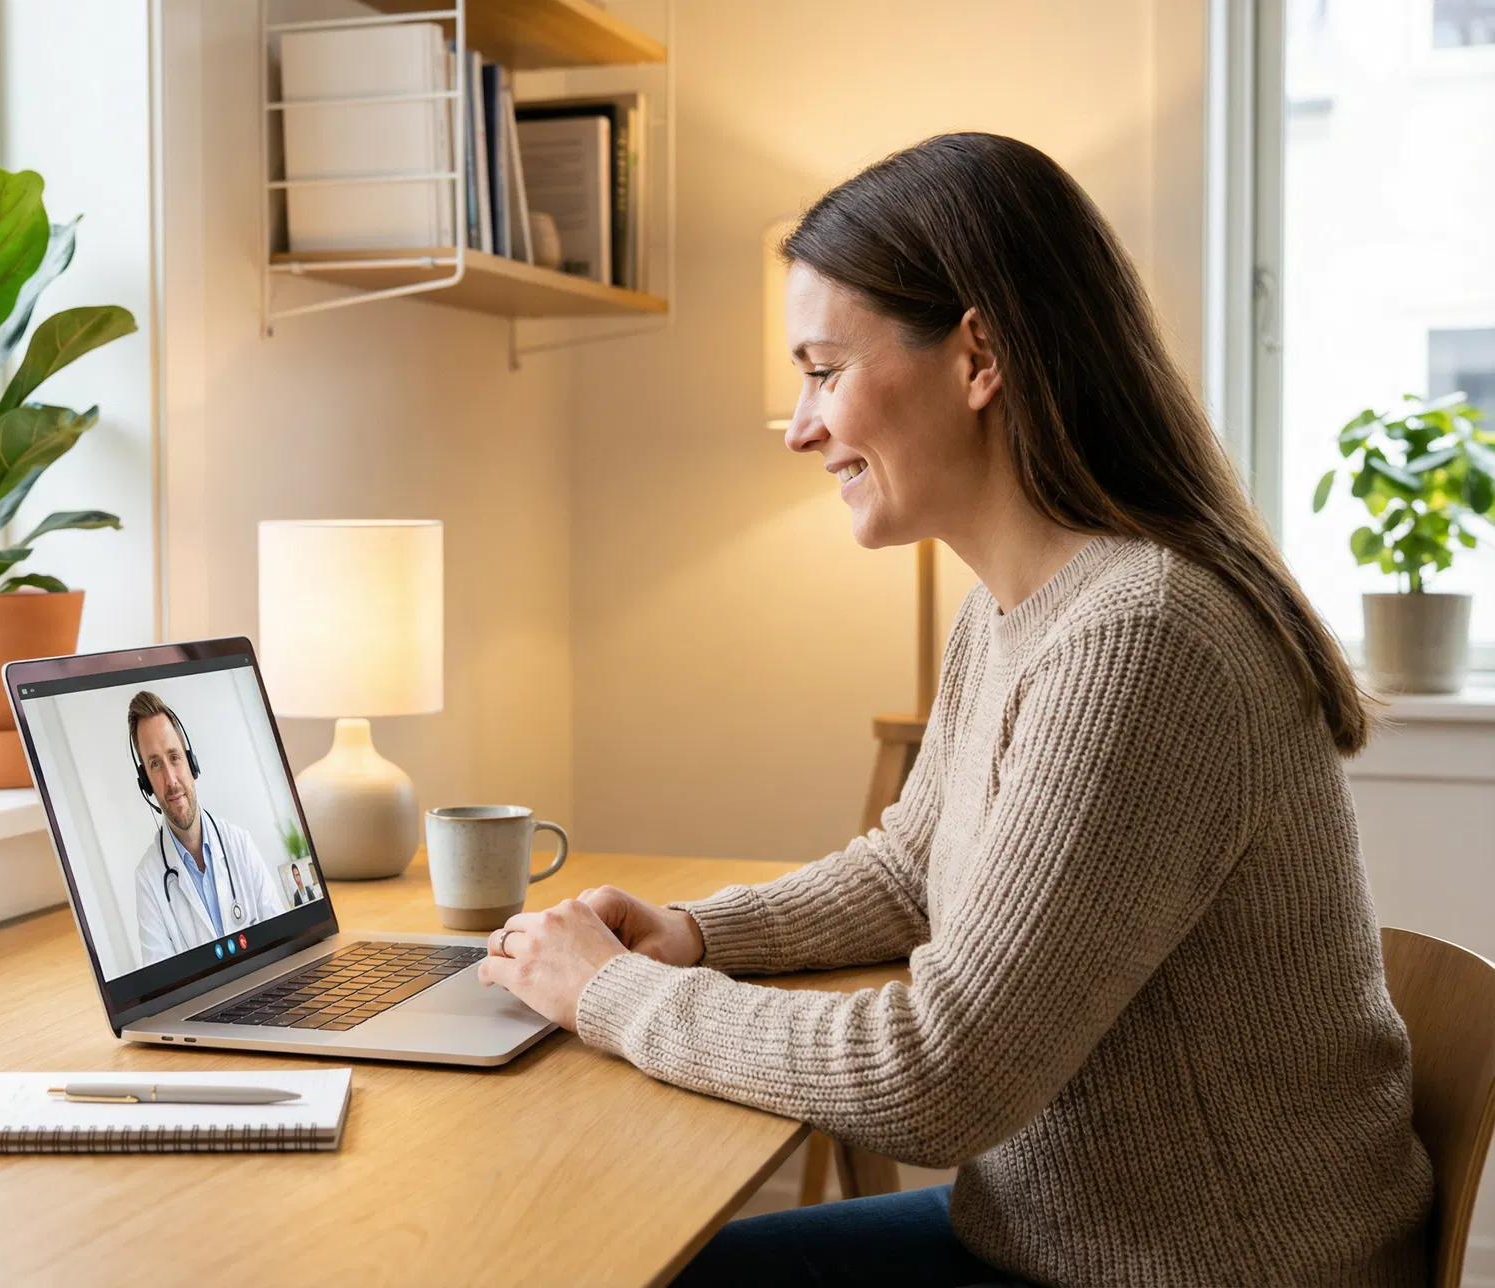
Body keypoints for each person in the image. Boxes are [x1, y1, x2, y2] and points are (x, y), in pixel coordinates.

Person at [477, 133, 1432, 1286]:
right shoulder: (1020, 608)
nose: (798, 425)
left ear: (978, 354)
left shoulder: (1142, 640)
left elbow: (937, 1076)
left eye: (825, 370)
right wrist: (698, 935)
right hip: (1058, 1241)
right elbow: (907, 867)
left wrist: (612, 993)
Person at [128, 691, 290, 966]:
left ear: (191, 764)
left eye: (174, 757)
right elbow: (163, 985)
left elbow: (283, 943)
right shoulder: (148, 879)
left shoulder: (240, 844)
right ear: (146, 784)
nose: (171, 780)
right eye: (155, 764)